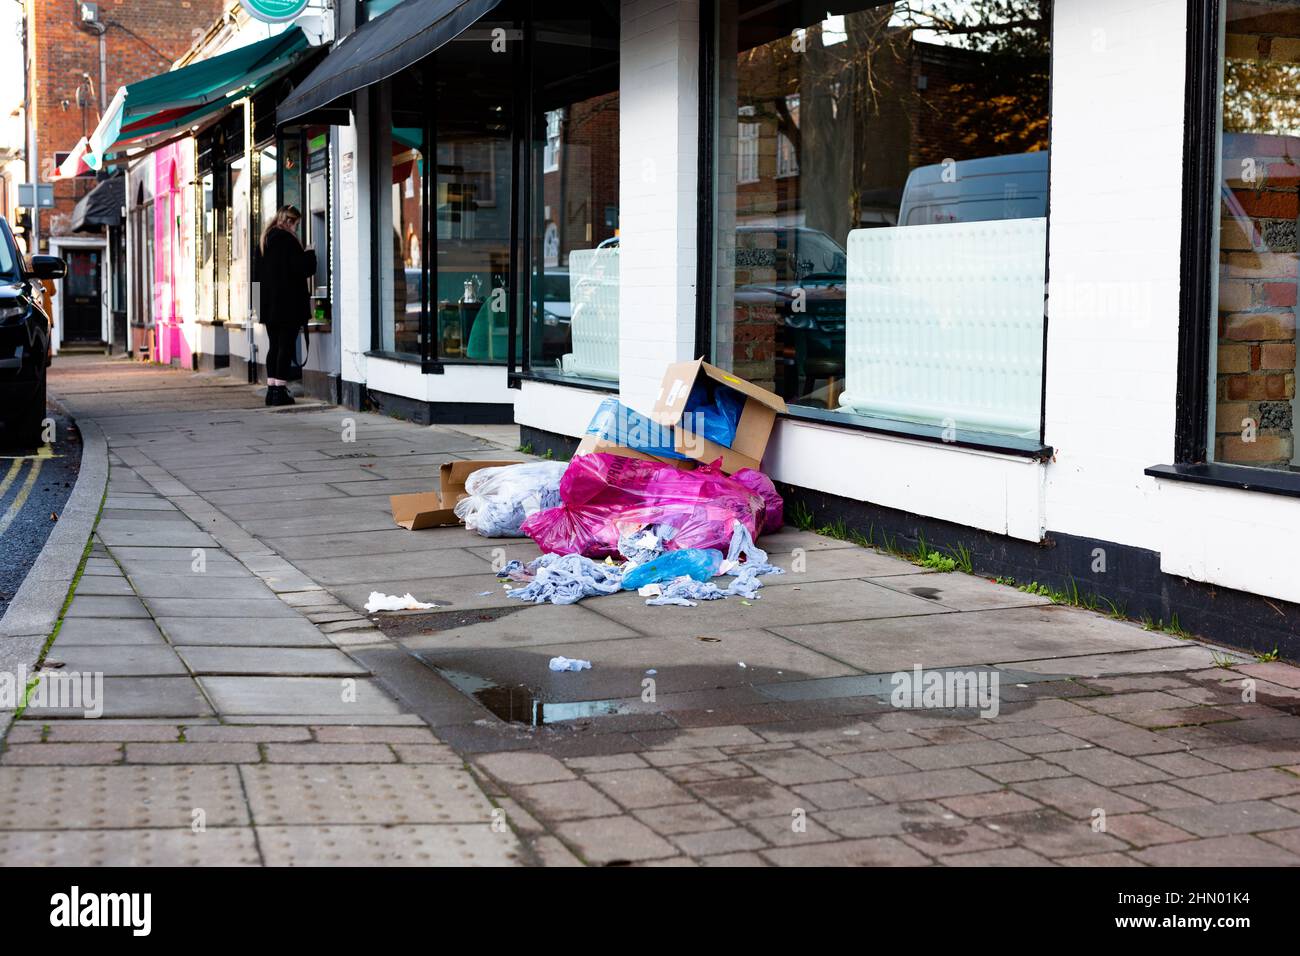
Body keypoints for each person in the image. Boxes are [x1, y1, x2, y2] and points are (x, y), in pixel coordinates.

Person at [258, 205, 316, 406]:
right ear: (290, 222)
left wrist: (259, 307)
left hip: (268, 306)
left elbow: (256, 277)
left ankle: (272, 390)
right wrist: (309, 252)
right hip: (288, 306)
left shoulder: (264, 240)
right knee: (286, 346)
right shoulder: (288, 240)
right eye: (297, 225)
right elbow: (304, 269)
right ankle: (280, 391)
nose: (296, 229)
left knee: (274, 347)